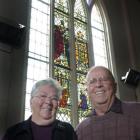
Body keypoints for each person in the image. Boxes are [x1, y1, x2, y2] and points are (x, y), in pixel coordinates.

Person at [76, 66, 140, 140]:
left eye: (104, 79)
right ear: (87, 91)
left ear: (115, 86)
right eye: (92, 81)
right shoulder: (80, 130)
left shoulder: (137, 111)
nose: (98, 85)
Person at [2, 78, 77, 140]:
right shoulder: (13, 132)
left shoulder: (67, 130)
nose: (48, 102)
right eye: (43, 96)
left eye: (54, 98)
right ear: (31, 101)